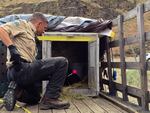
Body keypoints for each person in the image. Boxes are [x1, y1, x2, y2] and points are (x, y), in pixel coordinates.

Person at [0, 12, 70, 110]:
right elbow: (1, 29)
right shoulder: (22, 24)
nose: (44, 32)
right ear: (39, 24)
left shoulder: (32, 35)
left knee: (35, 99)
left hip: (21, 74)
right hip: (19, 68)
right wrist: (12, 48)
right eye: (45, 28)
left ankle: (17, 91)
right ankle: (50, 99)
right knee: (62, 62)